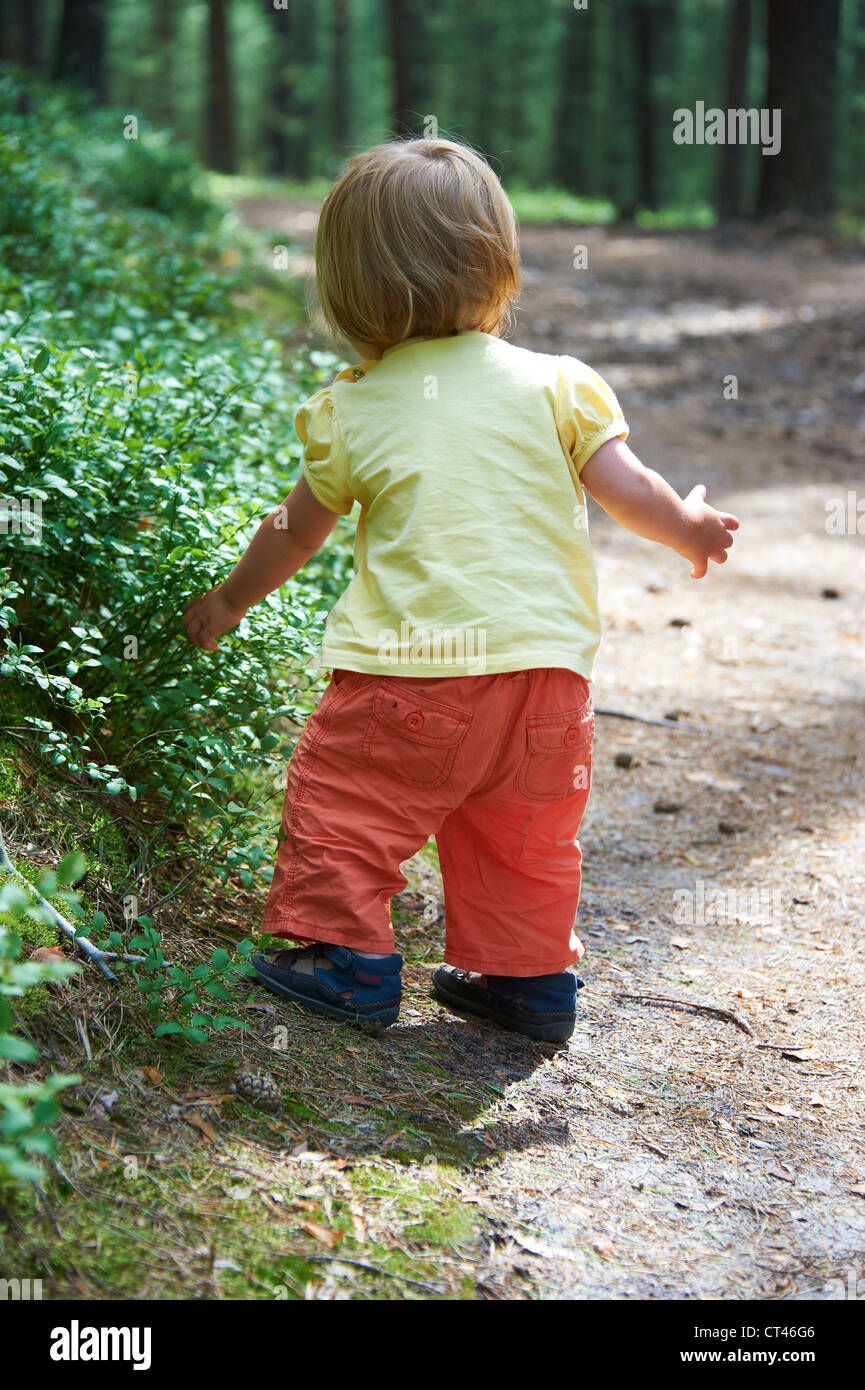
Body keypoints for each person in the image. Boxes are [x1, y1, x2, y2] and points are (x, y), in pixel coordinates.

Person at [183, 138, 738, 1043]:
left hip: (409, 676)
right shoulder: (558, 385)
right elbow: (631, 489)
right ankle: (526, 984)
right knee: (522, 839)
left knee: (347, 802)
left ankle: (347, 959)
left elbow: (295, 530)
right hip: (547, 685)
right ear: (496, 263)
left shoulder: (352, 407)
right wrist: (691, 529)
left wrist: (230, 600)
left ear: (350, 287)